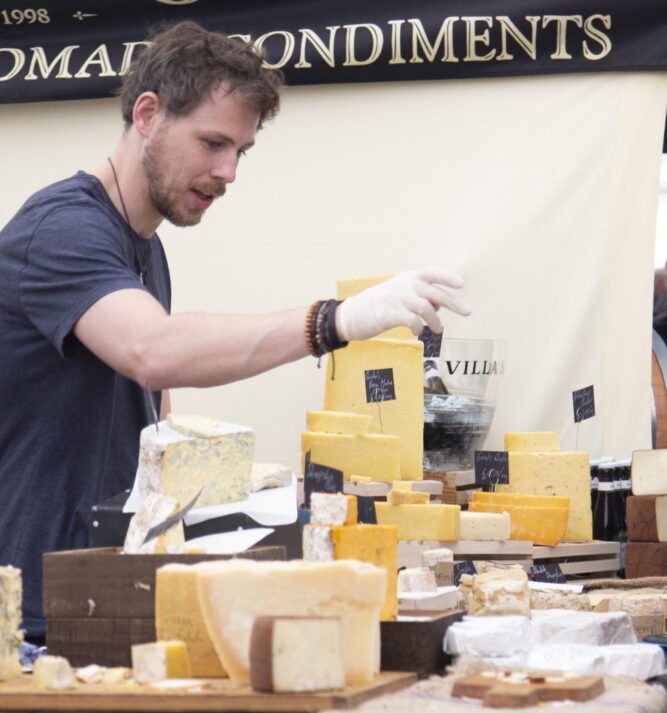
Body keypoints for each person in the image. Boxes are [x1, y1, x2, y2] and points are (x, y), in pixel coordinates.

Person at [0, 20, 470, 642]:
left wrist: (233, 511)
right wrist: (334, 321)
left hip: (102, 592)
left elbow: (155, 417)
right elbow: (153, 353)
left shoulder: (144, 249)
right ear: (147, 114)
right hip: (29, 610)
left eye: (240, 151)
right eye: (212, 142)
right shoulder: (62, 229)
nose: (228, 172)